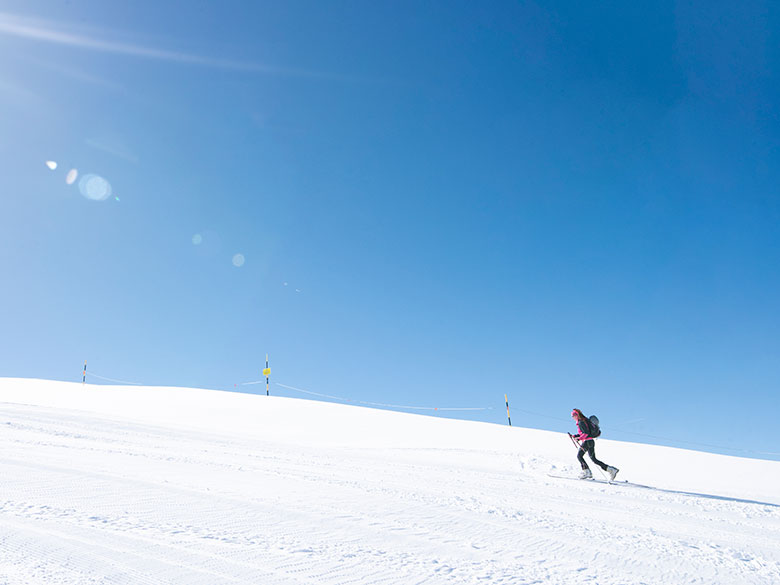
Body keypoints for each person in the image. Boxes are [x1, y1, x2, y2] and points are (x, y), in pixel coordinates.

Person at [570, 408, 619, 480]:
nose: (572, 417)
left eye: (573, 415)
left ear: (577, 415)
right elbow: (586, 432)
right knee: (594, 459)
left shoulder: (581, 422)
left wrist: (579, 438)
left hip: (587, 442)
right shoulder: (584, 420)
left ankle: (586, 472)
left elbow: (586, 433)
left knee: (579, 456)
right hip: (591, 442)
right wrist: (576, 436)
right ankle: (611, 470)